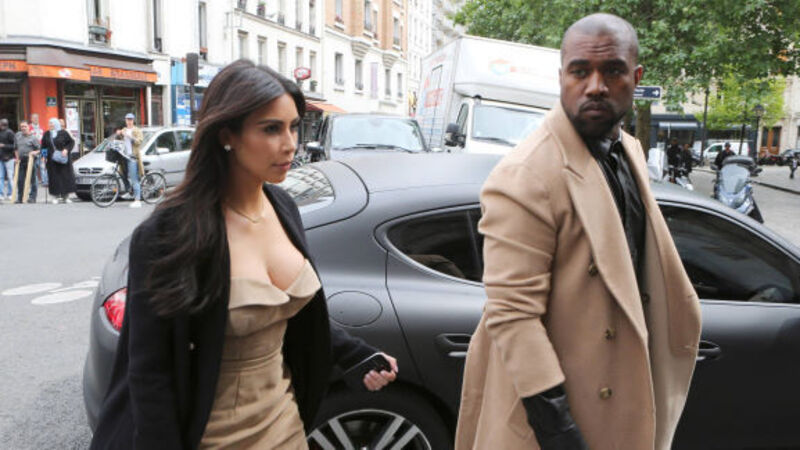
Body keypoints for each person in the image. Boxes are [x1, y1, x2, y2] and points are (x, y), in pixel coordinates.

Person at [90, 60, 399, 450]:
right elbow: (150, 374)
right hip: (212, 437)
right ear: (227, 135)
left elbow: (291, 316)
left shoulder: (283, 206)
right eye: (271, 129)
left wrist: (355, 353)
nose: (289, 144)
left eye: (293, 127)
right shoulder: (171, 232)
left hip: (286, 427)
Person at [455, 13, 701, 450]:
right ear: (561, 77)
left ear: (636, 77)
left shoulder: (628, 149)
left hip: (620, 390)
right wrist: (560, 433)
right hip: (557, 416)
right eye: (580, 71)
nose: (595, 86)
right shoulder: (526, 174)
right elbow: (513, 315)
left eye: (613, 71)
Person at [41, 118, 76, 204]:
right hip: (52, 160)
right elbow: (43, 146)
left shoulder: (63, 133)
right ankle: (55, 196)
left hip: (63, 159)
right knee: (54, 178)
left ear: (56, 124)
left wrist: (66, 149)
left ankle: (65, 197)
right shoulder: (47, 134)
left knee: (65, 178)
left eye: (52, 123)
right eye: (49, 123)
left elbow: (71, 142)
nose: (50, 125)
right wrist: (43, 156)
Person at [116, 113, 144, 208]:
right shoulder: (124, 130)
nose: (129, 121)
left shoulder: (137, 130)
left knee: (134, 178)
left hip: (133, 157)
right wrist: (118, 134)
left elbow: (139, 142)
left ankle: (137, 200)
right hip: (124, 156)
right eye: (128, 119)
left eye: (131, 119)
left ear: (133, 120)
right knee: (121, 174)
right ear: (125, 120)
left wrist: (130, 136)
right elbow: (119, 140)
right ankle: (129, 191)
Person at [14, 121, 40, 203]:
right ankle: (20, 198)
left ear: (28, 127)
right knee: (20, 180)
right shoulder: (17, 136)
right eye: (22, 126)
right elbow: (15, 148)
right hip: (21, 161)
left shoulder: (33, 138)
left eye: (25, 126)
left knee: (33, 180)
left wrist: (34, 152)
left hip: (31, 161)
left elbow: (39, 149)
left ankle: (32, 197)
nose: (23, 128)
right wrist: (17, 157)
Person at [0, 118, 16, 201]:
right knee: (1, 177)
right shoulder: (1, 132)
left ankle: (10, 193)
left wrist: (4, 146)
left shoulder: (10, 133)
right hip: (1, 157)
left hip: (9, 158)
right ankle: (1, 194)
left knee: (10, 177)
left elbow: (14, 146)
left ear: (2, 124)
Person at [30, 113, 47, 187]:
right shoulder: (29, 128)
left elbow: (45, 140)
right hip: (33, 150)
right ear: (31, 119)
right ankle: (35, 182)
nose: (35, 119)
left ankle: (45, 182)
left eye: (36, 118)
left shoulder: (42, 128)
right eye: (34, 118)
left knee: (43, 166)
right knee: (34, 167)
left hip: (43, 149)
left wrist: (45, 151)